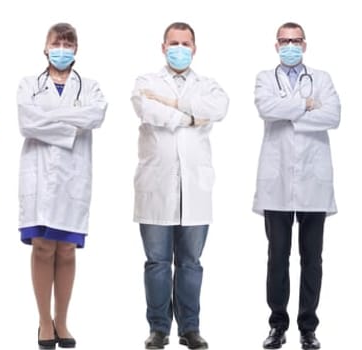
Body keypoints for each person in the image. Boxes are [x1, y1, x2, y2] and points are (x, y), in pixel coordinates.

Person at [132, 22, 229, 350]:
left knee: (190, 263)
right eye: (173, 43)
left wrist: (171, 106)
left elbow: (219, 109)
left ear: (195, 48)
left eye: (185, 43)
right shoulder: (145, 82)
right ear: (163, 47)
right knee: (157, 263)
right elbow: (147, 109)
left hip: (196, 188)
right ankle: (158, 329)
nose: (179, 48)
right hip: (155, 186)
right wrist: (190, 117)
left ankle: (190, 328)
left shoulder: (209, 85)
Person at [17, 22, 106, 350]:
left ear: (76, 50)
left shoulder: (91, 87)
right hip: (39, 175)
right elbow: (27, 123)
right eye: (57, 42)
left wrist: (50, 121)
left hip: (73, 178)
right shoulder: (29, 85)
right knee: (43, 247)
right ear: (45, 47)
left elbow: (96, 116)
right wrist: (71, 122)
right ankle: (44, 321)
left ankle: (63, 320)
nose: (62, 48)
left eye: (69, 43)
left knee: (66, 249)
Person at [253, 22, 340, 350]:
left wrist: (289, 111)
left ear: (305, 44)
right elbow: (266, 109)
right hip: (276, 181)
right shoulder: (264, 78)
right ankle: (277, 325)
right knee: (277, 256)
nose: (290, 45)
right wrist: (306, 105)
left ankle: (308, 326)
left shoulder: (322, 79)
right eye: (284, 41)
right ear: (276, 45)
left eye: (296, 40)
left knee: (312, 258)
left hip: (313, 181)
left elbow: (334, 116)